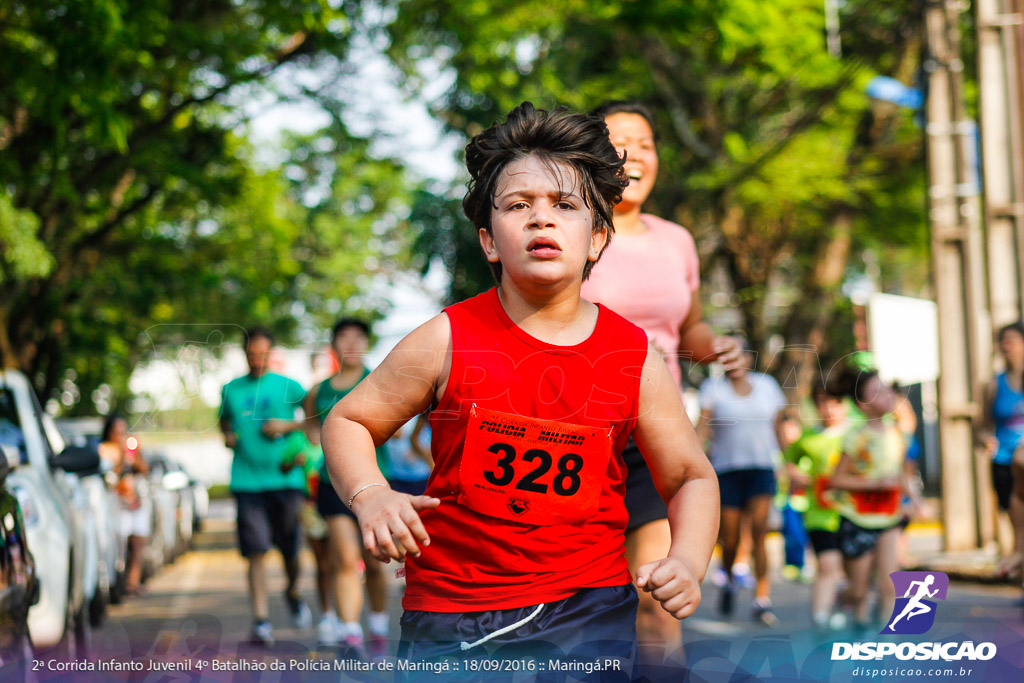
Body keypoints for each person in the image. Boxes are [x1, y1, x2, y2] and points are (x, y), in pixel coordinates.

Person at [321, 102, 719, 672]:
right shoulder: (446, 337)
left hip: (588, 610)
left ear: (599, 239)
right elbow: (349, 420)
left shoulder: (635, 357)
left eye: (564, 205)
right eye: (518, 205)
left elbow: (690, 475)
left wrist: (686, 559)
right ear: (488, 241)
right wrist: (371, 495)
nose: (541, 218)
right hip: (454, 613)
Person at [578, 100, 742, 657]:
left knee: (656, 597)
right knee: (577, 604)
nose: (636, 154)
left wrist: (717, 347)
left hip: (655, 434)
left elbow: (687, 328)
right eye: (621, 140)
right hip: (575, 435)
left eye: (646, 143)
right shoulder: (568, 231)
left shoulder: (676, 240)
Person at [304, 318, 392, 658]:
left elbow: (394, 428)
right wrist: (317, 446)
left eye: (358, 337)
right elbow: (312, 427)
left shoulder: (379, 380)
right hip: (332, 485)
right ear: (334, 344)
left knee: (373, 563)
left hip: (374, 484)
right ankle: (352, 632)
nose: (352, 343)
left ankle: (380, 626)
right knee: (343, 558)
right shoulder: (320, 390)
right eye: (344, 337)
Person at [219, 326, 311, 647]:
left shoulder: (290, 387)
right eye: (251, 354)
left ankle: (294, 590)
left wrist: (289, 426)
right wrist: (228, 436)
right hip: (247, 483)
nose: (257, 360)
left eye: (263, 354)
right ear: (244, 353)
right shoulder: (230, 390)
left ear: (272, 355)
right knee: (255, 552)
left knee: (290, 550)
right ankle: (260, 621)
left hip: (285, 481)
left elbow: (317, 418)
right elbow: (225, 422)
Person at [697, 341, 788, 625]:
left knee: (760, 532)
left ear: (749, 357)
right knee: (731, 537)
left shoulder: (767, 385)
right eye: (726, 355)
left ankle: (762, 599)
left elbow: (779, 427)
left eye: (740, 353)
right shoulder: (712, 389)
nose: (734, 360)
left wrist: (788, 463)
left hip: (761, 468)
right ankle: (729, 583)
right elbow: (701, 429)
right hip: (726, 471)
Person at [828, 365, 915, 632]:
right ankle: (842, 601)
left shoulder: (898, 434)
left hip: (888, 519)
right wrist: (873, 483)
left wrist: (915, 501)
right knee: (859, 590)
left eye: (887, 389)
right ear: (862, 404)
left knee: (890, 585)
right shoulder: (857, 437)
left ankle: (885, 642)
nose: (887, 395)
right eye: (877, 392)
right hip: (857, 520)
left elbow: (903, 475)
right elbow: (836, 481)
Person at [782, 385, 848, 630]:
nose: (830, 409)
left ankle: (850, 607)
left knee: (855, 575)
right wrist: (796, 475)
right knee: (828, 566)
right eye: (823, 402)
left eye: (836, 402)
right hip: (819, 515)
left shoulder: (857, 433)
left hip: (855, 515)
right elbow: (789, 459)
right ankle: (820, 620)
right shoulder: (808, 438)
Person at [276, 429, 333, 645]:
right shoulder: (297, 439)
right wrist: (295, 463)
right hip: (311, 506)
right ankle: (327, 615)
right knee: (323, 564)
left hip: (337, 505)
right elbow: (283, 467)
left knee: (340, 561)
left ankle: (346, 618)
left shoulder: (338, 430)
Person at [981, 321, 1024, 579]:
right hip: (1004, 461)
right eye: (1002, 340)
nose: (1005, 345)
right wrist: (986, 438)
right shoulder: (993, 384)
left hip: (1021, 458)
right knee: (1016, 518)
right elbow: (981, 426)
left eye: (1011, 339)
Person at [98, 413, 150, 597]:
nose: (121, 435)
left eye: (123, 431)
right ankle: (117, 583)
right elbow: (109, 476)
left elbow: (145, 470)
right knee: (119, 545)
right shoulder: (105, 450)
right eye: (116, 431)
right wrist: (121, 457)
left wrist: (134, 458)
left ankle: (132, 583)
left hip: (134, 502)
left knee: (138, 543)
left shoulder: (132, 450)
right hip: (116, 504)